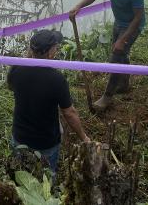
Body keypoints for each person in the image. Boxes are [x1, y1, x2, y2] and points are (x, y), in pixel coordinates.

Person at [7, 29, 90, 176]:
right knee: (46, 177)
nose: (57, 50)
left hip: (20, 137)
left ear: (31, 49)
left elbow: (11, 86)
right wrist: (84, 137)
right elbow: (69, 113)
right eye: (56, 47)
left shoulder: (16, 69)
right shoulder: (57, 80)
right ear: (51, 52)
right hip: (45, 143)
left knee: (21, 174)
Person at [69, 0, 145, 112]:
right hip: (119, 22)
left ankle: (107, 97)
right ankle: (123, 84)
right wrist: (78, 6)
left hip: (131, 25)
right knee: (121, 53)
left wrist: (123, 40)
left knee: (116, 56)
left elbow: (138, 18)